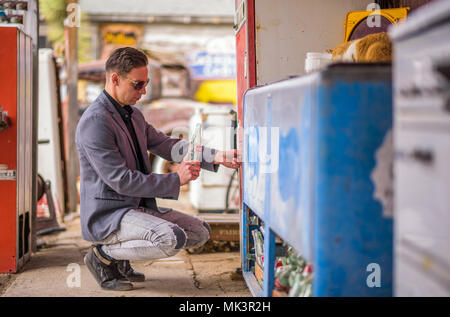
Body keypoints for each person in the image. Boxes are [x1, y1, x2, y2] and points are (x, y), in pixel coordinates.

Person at [75, 47, 240, 291]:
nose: (143, 92)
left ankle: (121, 261)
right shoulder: (95, 122)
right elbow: (121, 180)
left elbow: (167, 145)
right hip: (109, 214)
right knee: (172, 237)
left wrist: (216, 155)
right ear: (115, 79)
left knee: (199, 232)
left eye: (146, 84)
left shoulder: (134, 115)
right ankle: (103, 255)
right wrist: (176, 179)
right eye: (138, 84)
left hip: (134, 207)